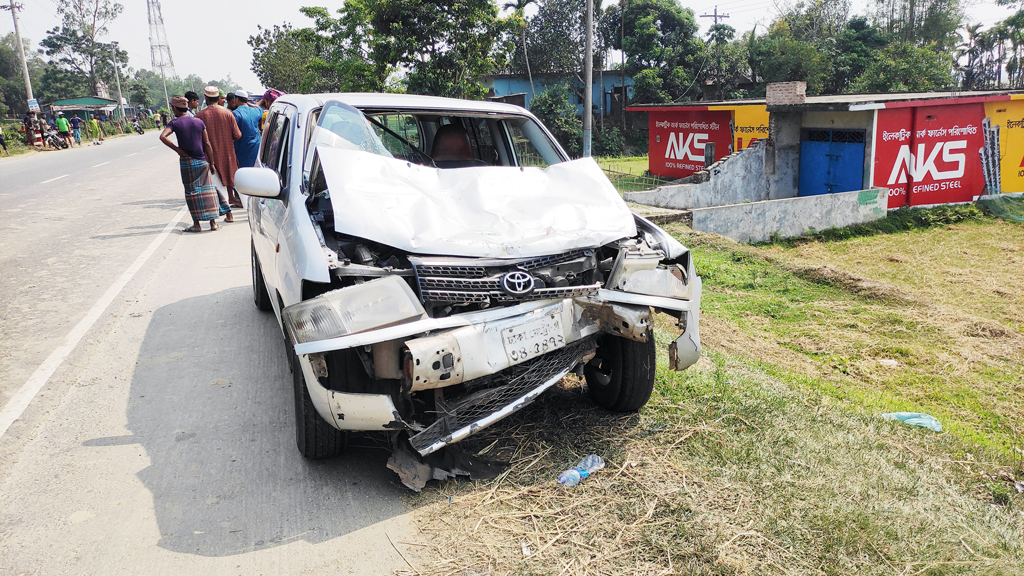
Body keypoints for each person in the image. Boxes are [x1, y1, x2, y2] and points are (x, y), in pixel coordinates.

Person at [160, 95, 224, 232]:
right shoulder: (198, 122)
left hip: (187, 162)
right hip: (202, 160)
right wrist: (211, 163)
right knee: (208, 190)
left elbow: (163, 136)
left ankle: (197, 225)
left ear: (175, 108)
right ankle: (213, 223)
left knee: (191, 192)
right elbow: (206, 143)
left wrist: (177, 150)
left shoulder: (174, 123)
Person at [196, 85, 242, 215]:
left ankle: (225, 213)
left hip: (209, 157)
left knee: (217, 184)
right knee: (230, 179)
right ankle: (231, 212)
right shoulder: (228, 114)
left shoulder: (199, 115)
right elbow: (238, 135)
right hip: (228, 153)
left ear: (206, 98)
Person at [227, 89, 262, 170]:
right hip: (255, 149)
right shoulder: (256, 111)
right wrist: (248, 104)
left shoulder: (235, 114)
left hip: (241, 150)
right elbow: (260, 108)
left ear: (237, 99)